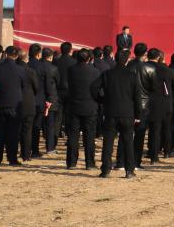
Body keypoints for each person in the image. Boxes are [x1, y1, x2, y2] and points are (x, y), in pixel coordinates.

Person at [91, 49, 141, 178]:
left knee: (108, 142)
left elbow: (93, 87)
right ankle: (129, 170)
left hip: (110, 112)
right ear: (127, 60)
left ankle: (105, 170)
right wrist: (138, 115)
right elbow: (137, 97)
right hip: (127, 113)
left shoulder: (107, 74)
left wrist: (102, 100)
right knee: (128, 142)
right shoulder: (132, 75)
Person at [0, 46, 27, 166]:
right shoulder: (21, 69)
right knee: (13, 133)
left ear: (5, 54)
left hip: (0, 103)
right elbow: (24, 85)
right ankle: (12, 158)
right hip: (15, 105)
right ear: (16, 56)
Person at [65, 49, 100, 169]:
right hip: (90, 106)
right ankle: (90, 163)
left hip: (74, 106)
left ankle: (71, 162)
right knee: (89, 136)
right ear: (89, 58)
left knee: (73, 136)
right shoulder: (95, 71)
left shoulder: (71, 70)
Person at [125, 43, 157, 169]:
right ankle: (136, 161)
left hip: (129, 103)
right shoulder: (150, 68)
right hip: (144, 104)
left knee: (126, 133)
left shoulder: (128, 66)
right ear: (145, 53)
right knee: (140, 134)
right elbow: (154, 87)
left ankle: (123, 160)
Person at [146, 48, 170, 164]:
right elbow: (167, 87)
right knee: (156, 129)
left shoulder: (142, 67)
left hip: (142, 101)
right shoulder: (163, 69)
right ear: (158, 57)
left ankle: (138, 156)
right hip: (157, 102)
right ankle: (154, 156)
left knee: (141, 130)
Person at [15, 49, 38, 162]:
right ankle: (25, 155)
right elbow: (36, 87)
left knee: (14, 129)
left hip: (14, 102)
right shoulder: (30, 71)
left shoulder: (13, 70)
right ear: (26, 59)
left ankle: (13, 153)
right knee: (27, 130)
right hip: (28, 102)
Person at [54, 42, 76, 147]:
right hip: (70, 91)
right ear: (70, 50)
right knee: (69, 117)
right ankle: (69, 139)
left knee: (58, 117)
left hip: (58, 91)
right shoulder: (74, 62)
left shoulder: (55, 61)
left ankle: (54, 141)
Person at [40, 47, 60, 154]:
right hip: (51, 98)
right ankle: (50, 147)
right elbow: (58, 82)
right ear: (51, 57)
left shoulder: (36, 66)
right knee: (50, 124)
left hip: (37, 98)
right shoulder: (53, 68)